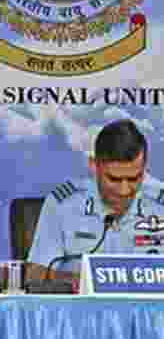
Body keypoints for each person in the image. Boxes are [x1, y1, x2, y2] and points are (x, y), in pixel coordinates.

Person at [25, 119, 164, 288]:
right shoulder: (63, 204)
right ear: (93, 166)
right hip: (79, 312)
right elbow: (35, 275)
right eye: (114, 179)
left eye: (134, 178)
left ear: (144, 169)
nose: (124, 190)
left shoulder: (160, 206)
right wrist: (90, 282)